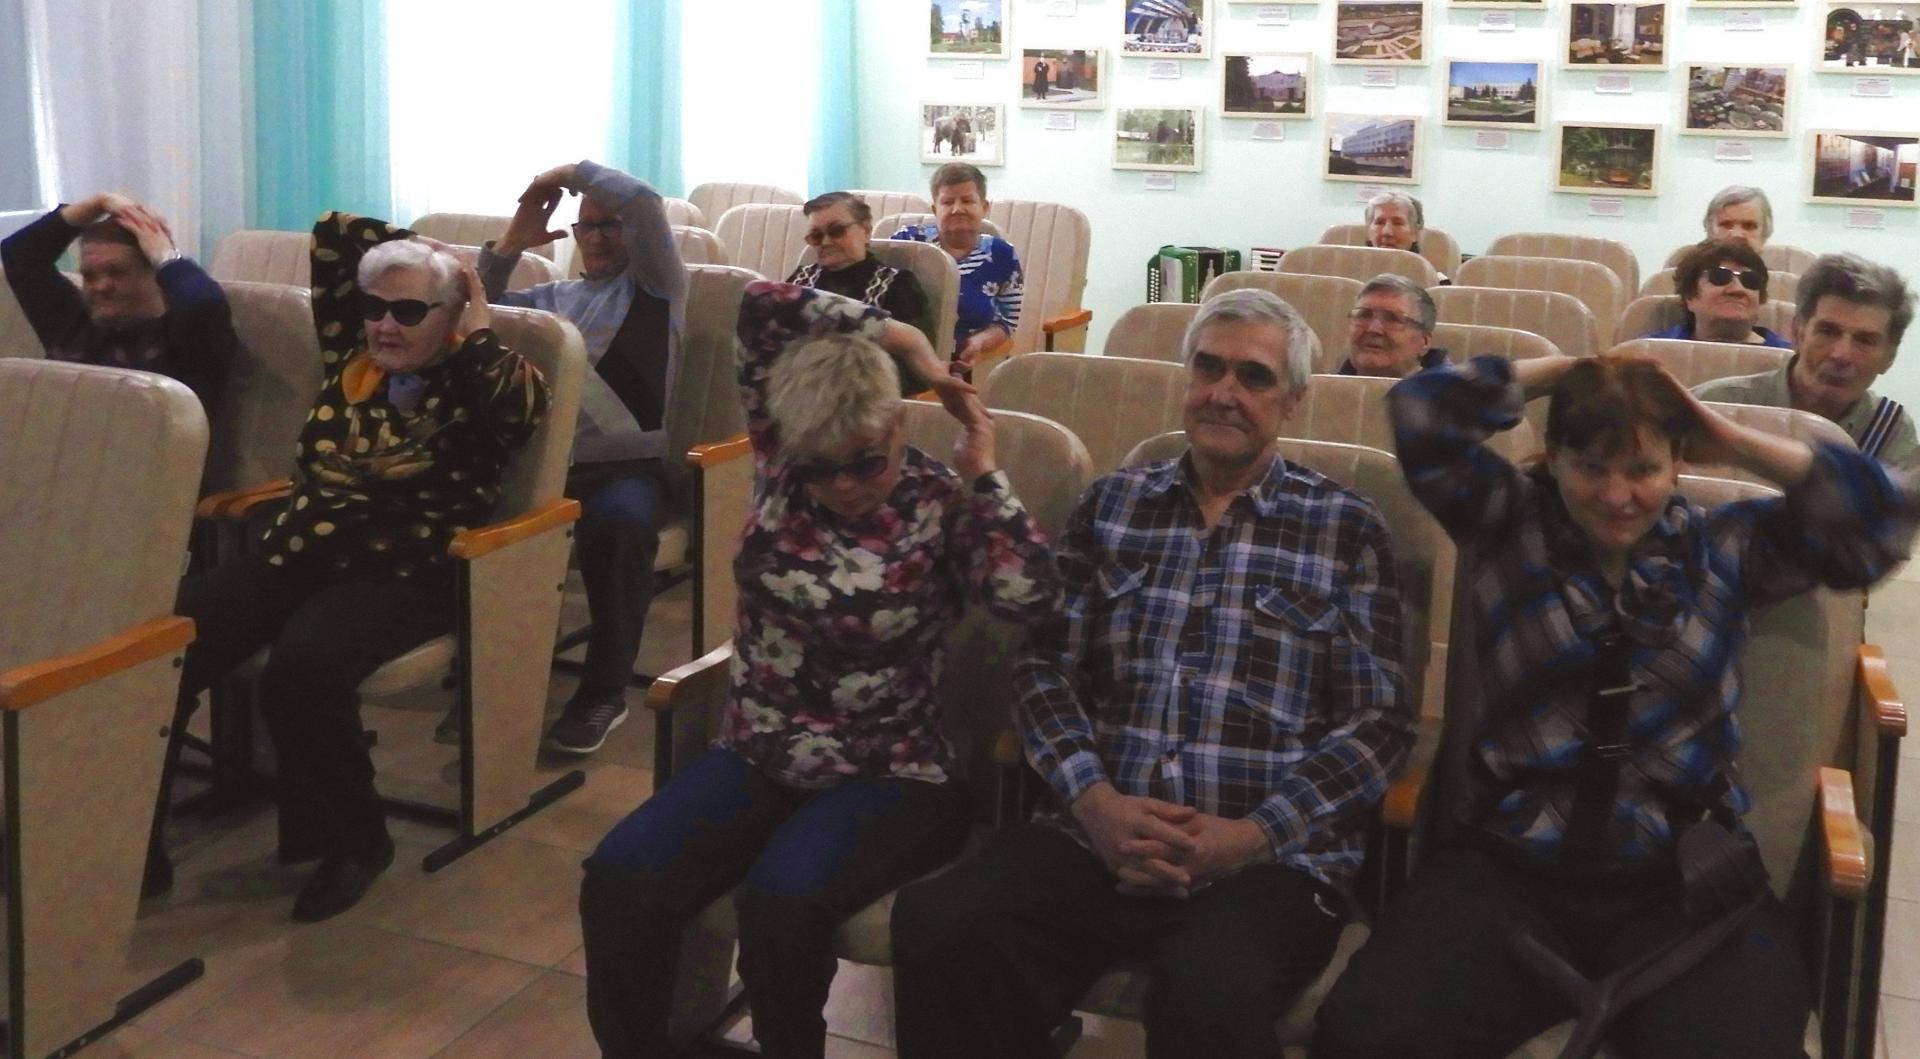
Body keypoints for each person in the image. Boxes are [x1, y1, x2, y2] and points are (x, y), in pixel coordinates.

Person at [1314, 352, 1919, 1057]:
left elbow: (1884, 516)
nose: (1616, 495)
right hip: (1512, 863)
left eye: (1643, 469)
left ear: (1677, 464)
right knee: (1364, 1033)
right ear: (1554, 458)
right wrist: (1580, 367)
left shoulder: (1726, 546)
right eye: (1590, 467)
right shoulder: (1506, 522)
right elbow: (1420, 409)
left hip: (1680, 874)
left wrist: (1724, 435)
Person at [891, 290, 1415, 1059]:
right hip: (1097, 833)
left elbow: (1379, 723)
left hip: (1267, 858)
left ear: (1293, 400)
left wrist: (1249, 834)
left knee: (1211, 991)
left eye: (1254, 377)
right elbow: (1045, 667)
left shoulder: (1345, 527)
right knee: (940, 924)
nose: (1224, 392)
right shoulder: (1114, 504)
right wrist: (1093, 801)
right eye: (1208, 367)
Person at [577, 282, 1058, 1059]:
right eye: (821, 468)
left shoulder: (939, 502)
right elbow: (761, 305)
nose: (841, 487)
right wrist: (911, 342)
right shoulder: (779, 457)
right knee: (619, 875)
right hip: (759, 752)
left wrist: (984, 471)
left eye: (864, 463)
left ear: (899, 425)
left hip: (894, 771)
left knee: (783, 899)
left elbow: (1027, 595)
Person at [146, 212, 549, 921]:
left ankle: (358, 841)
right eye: (375, 308)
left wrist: (476, 310)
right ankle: (130, 838)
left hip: (409, 569)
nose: (386, 325)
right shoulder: (350, 360)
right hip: (299, 551)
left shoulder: (479, 375)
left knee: (303, 669)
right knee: (162, 643)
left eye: (409, 311)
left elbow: (521, 413)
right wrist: (422, 251)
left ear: (451, 316)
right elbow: (335, 236)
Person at [476, 160, 685, 755]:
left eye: (609, 225)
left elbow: (643, 201)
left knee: (620, 527)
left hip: (625, 470)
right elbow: (470, 314)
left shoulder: (657, 290)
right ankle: (489, 682)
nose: (596, 237)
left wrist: (569, 173)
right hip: (539, 468)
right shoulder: (549, 299)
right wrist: (511, 243)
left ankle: (604, 693)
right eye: (586, 226)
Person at [1, 191, 235, 412]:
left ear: (156, 273)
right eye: (89, 276)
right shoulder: (72, 325)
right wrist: (100, 202)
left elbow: (204, 303)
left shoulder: (187, 336)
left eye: (117, 272)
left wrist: (165, 254)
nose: (101, 286)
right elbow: (20, 254)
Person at [1694, 252, 1917, 471]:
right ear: (1798, 333)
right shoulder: (1717, 405)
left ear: (1890, 358)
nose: (1841, 355)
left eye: (1865, 341)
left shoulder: (1890, 432)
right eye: (1828, 331)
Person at [786, 190, 937, 391]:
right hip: (794, 391)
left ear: (866, 231)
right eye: (816, 236)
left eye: (837, 231)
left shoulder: (897, 284)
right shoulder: (800, 280)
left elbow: (918, 367)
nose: (826, 242)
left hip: (865, 397)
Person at [891, 163, 1022, 376]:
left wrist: (979, 342)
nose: (957, 209)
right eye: (947, 202)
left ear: (984, 207)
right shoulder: (908, 243)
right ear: (934, 209)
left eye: (967, 201)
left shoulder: (1002, 254)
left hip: (966, 368)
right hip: (903, 364)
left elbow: (1007, 322)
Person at [1646, 240, 1792, 348]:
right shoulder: (1650, 352)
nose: (1737, 289)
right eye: (1720, 277)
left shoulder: (1791, 359)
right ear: (1690, 296)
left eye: (1750, 280)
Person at [1342, 273, 1448, 377]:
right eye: (1364, 315)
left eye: (1392, 319)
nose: (1373, 329)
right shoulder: (1332, 387)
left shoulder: (1449, 387)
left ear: (1424, 342)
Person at [1700, 185, 1772, 250]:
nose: (1737, 234)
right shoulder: (1693, 260)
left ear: (1765, 232)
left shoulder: (1777, 259)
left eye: (1748, 226)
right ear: (1710, 229)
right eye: (1726, 225)